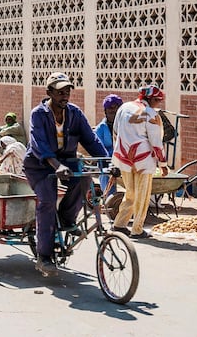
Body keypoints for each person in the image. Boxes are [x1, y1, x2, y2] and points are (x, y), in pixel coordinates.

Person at [23, 72, 107, 276]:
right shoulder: (38, 114)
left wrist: (107, 161)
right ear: (49, 92)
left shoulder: (75, 113)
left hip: (68, 162)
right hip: (40, 165)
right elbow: (38, 144)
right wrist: (55, 165)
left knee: (85, 178)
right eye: (60, 92)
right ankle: (44, 256)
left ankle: (67, 219)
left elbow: (91, 139)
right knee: (48, 200)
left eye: (67, 92)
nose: (65, 96)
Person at [111, 84, 169, 239]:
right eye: (158, 100)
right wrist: (163, 164)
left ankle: (120, 224)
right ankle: (137, 229)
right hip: (143, 161)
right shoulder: (151, 114)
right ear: (151, 99)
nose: (159, 104)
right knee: (142, 195)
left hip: (124, 157)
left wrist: (117, 156)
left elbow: (115, 131)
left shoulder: (124, 108)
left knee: (130, 193)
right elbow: (156, 142)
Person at [94, 94, 123, 195]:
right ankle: (109, 199)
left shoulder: (125, 126)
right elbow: (98, 149)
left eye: (116, 110)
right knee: (105, 174)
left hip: (123, 161)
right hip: (107, 162)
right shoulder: (100, 129)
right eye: (110, 110)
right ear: (106, 112)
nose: (113, 113)